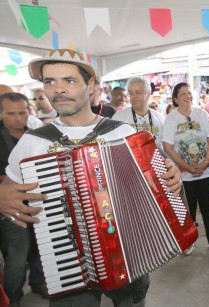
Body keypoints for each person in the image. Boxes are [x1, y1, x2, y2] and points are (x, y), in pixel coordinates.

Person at [0, 48, 182, 307]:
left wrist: (170, 177)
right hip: (69, 261)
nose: (58, 90)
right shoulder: (33, 142)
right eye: (49, 81)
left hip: (129, 252)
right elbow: (10, 186)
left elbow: (155, 182)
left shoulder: (122, 131)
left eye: (69, 81)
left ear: (92, 85)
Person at [162, 82, 209, 258]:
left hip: (204, 172)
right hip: (184, 175)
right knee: (188, 210)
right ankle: (189, 241)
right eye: (183, 94)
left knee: (208, 208)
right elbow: (167, 146)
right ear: (175, 98)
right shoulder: (171, 119)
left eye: (189, 93)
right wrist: (186, 167)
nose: (187, 96)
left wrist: (206, 162)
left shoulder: (201, 114)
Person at [0, 92, 48, 306]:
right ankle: (13, 298)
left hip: (38, 202)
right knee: (18, 256)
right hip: (10, 207)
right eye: (11, 113)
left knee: (41, 246)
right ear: (1, 113)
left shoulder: (35, 135)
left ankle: (38, 282)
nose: (18, 118)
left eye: (23, 112)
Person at [112, 76, 164, 147]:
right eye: (131, 93)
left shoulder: (160, 118)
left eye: (138, 92)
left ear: (148, 94)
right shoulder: (118, 118)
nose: (134, 96)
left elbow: (164, 147)